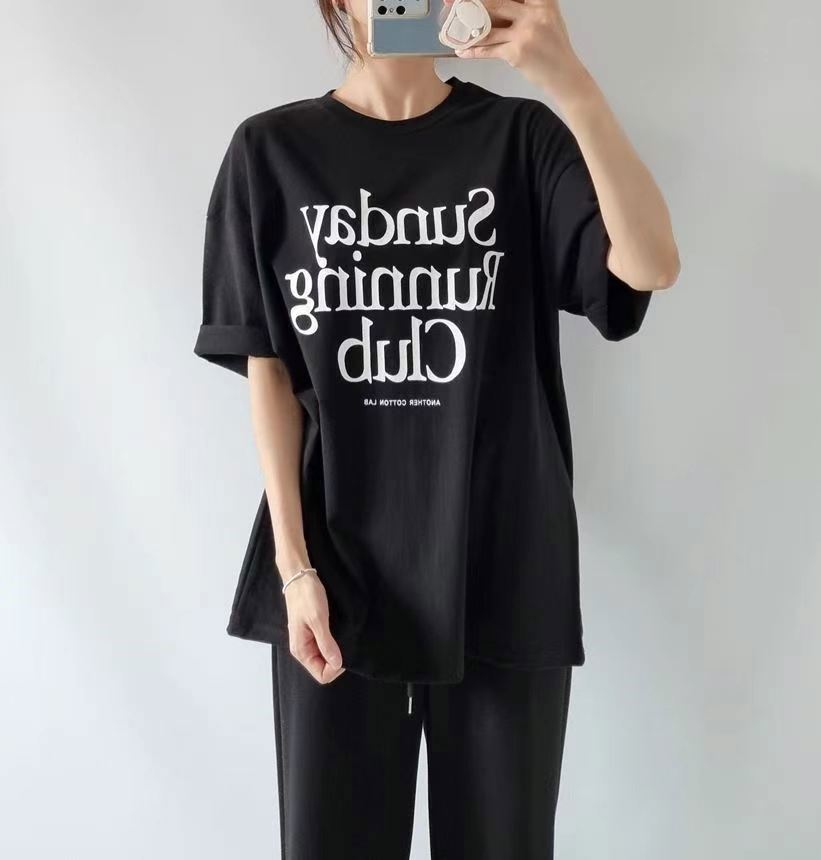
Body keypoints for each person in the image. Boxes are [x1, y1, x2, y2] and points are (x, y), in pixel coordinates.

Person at [193, 0, 679, 857]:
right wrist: (294, 568)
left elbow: (650, 266)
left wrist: (570, 83)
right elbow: (268, 370)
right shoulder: (270, 152)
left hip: (503, 562)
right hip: (335, 572)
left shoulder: (521, 140)